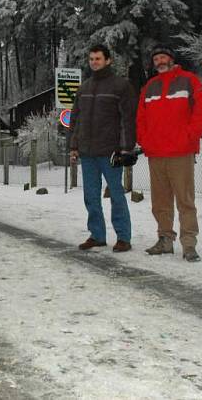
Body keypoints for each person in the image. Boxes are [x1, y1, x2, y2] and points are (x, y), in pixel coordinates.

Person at [137, 45, 202, 262]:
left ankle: (189, 245)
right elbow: (140, 118)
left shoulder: (189, 80)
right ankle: (165, 240)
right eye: (156, 59)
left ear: (171, 59)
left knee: (185, 201)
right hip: (156, 153)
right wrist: (145, 140)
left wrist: (190, 136)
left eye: (163, 57)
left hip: (181, 152)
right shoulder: (149, 87)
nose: (159, 61)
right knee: (160, 202)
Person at [69, 45, 137, 252]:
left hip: (111, 152)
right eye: (91, 59)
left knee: (116, 194)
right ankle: (97, 235)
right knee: (90, 196)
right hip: (88, 153)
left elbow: (127, 119)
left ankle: (123, 237)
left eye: (98, 58)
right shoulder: (84, 88)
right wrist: (73, 145)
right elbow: (76, 120)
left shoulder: (121, 86)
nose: (94, 62)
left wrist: (126, 148)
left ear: (108, 61)